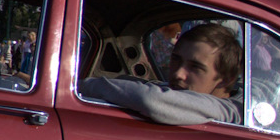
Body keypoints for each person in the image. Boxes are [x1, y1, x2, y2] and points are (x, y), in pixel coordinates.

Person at [83, 22, 243, 126]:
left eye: (195, 67)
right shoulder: (183, 90)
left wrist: (80, 87)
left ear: (225, 80)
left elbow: (151, 99)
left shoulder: (228, 111)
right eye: (176, 60)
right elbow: (148, 87)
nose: (179, 73)